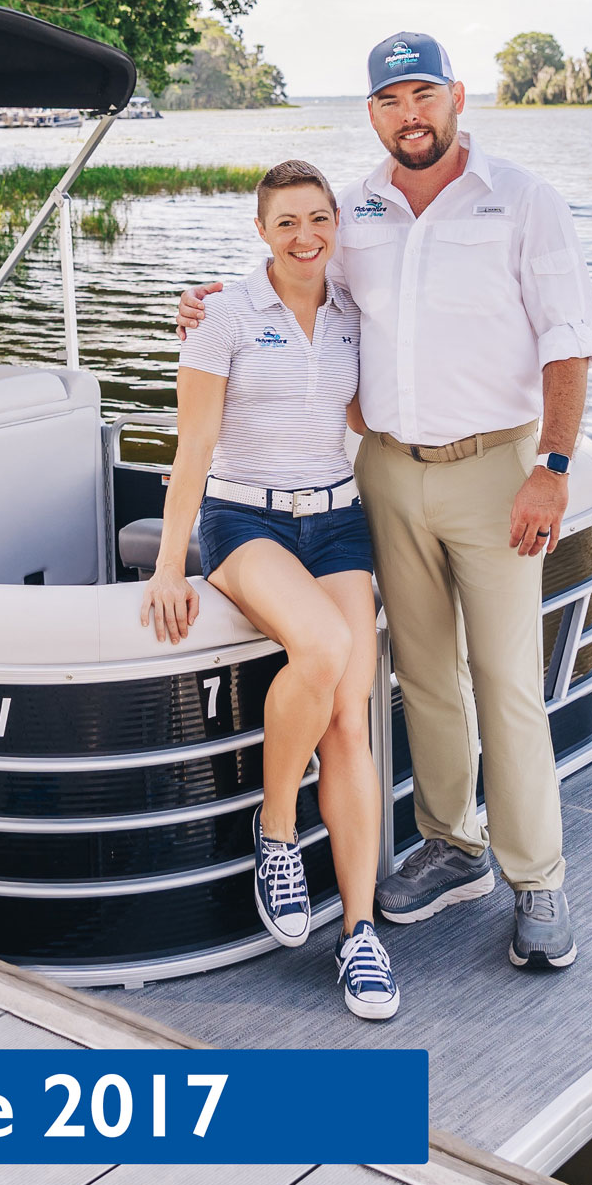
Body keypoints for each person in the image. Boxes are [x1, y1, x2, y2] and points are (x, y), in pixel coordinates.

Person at [180, 32, 592, 971]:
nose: (410, 115)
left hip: (497, 470)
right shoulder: (357, 207)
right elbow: (301, 284)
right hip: (384, 474)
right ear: (371, 112)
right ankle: (452, 847)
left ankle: (539, 878)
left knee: (508, 683)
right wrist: (203, 309)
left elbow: (570, 341)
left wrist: (555, 465)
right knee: (424, 675)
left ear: (456, 96)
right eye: (389, 101)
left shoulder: (523, 200)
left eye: (424, 95)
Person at [141, 159, 398, 1020]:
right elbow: (193, 447)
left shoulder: (356, 312)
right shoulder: (221, 316)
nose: (306, 236)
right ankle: (277, 834)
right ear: (261, 231)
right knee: (322, 646)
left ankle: (360, 935)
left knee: (348, 713)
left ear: (337, 223)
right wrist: (169, 563)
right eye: (287, 222)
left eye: (320, 218)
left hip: (335, 520)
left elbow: (370, 413)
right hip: (244, 522)